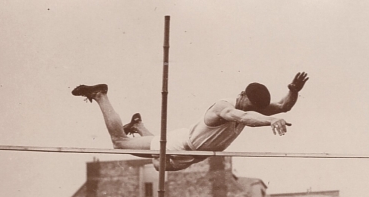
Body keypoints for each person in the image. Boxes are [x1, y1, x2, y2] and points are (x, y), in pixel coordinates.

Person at [71, 73, 308, 171]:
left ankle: (138, 127)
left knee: (158, 164)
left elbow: (284, 106)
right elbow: (243, 117)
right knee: (121, 144)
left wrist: (293, 90)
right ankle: (101, 95)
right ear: (242, 95)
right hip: (183, 145)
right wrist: (270, 121)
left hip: (195, 151)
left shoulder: (252, 106)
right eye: (250, 106)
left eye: (257, 109)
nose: (252, 110)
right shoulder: (224, 106)